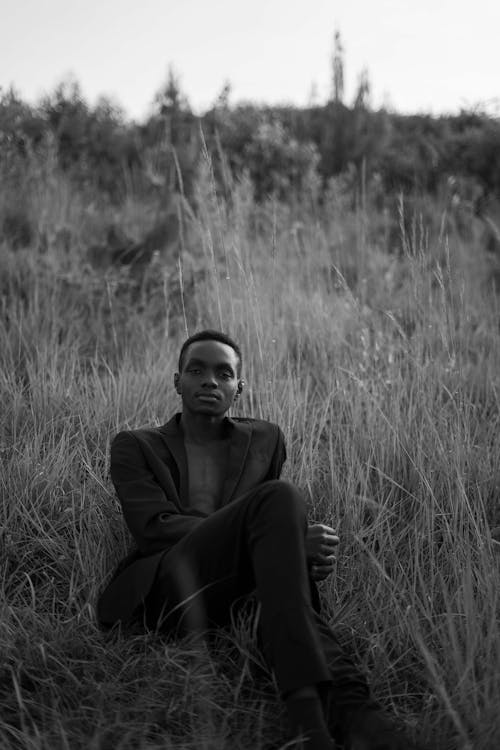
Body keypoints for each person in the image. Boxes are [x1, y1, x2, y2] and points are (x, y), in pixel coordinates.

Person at [98, 329, 419, 750]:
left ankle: (362, 720)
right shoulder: (136, 445)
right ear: (177, 381)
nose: (209, 381)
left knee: (284, 601)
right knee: (280, 496)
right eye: (196, 370)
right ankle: (307, 722)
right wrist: (285, 541)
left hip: (237, 590)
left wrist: (293, 555)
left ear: (238, 387)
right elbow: (154, 527)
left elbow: (267, 538)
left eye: (223, 373)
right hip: (168, 588)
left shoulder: (266, 439)